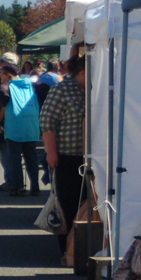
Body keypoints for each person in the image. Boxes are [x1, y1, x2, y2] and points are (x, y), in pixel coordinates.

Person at [41, 55, 88, 261]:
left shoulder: (93, 90)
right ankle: (66, 250)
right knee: (67, 204)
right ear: (82, 72)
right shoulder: (61, 90)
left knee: (85, 204)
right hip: (66, 157)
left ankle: (80, 248)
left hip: (89, 159)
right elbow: (47, 122)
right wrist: (51, 153)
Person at [0, 64, 42, 197]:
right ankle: (35, 187)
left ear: (8, 75)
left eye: (2, 74)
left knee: (15, 159)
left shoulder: (6, 86)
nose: (0, 76)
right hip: (31, 124)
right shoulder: (30, 84)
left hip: (15, 126)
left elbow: (2, 104)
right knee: (31, 158)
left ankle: (19, 187)